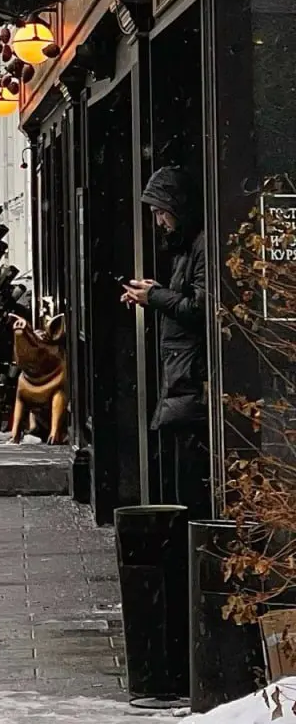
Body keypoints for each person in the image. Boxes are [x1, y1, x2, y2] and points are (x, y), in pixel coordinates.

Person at [122, 166, 211, 519]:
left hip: (191, 379)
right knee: (184, 480)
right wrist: (154, 294)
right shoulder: (189, 247)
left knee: (191, 483)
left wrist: (155, 296)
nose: (159, 222)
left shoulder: (200, 245)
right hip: (184, 377)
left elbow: (201, 308)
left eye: (161, 212)